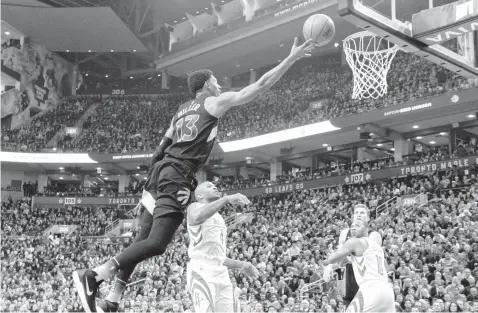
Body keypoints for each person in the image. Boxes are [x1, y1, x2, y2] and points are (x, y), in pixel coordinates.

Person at [73, 37, 316, 313]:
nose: (220, 85)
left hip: (160, 172)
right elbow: (259, 86)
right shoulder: (213, 102)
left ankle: (113, 299)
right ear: (208, 85)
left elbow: (158, 152)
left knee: (141, 239)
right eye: (216, 81)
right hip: (177, 174)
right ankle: (94, 275)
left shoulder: (179, 113)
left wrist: (148, 188)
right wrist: (292, 57)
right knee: (156, 243)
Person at [186, 181, 258, 312]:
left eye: (215, 186)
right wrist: (226, 199)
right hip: (201, 269)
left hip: (221, 272)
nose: (214, 187)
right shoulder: (194, 207)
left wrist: (241, 264)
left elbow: (219, 258)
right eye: (209, 186)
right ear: (199, 195)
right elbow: (196, 217)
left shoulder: (218, 217)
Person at [323, 219, 395, 312]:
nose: (353, 228)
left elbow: (332, 259)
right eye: (352, 226)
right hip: (387, 292)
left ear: (366, 229)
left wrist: (326, 263)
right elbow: (350, 261)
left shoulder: (355, 242)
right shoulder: (377, 248)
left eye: (357, 225)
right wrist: (334, 266)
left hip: (370, 290)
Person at [324, 204, 382, 306]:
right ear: (353, 217)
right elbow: (340, 257)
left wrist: (352, 258)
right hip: (350, 280)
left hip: (368, 281)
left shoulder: (374, 235)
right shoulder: (345, 233)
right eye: (356, 213)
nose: (359, 215)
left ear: (368, 218)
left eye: (362, 213)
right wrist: (329, 267)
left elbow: (371, 257)